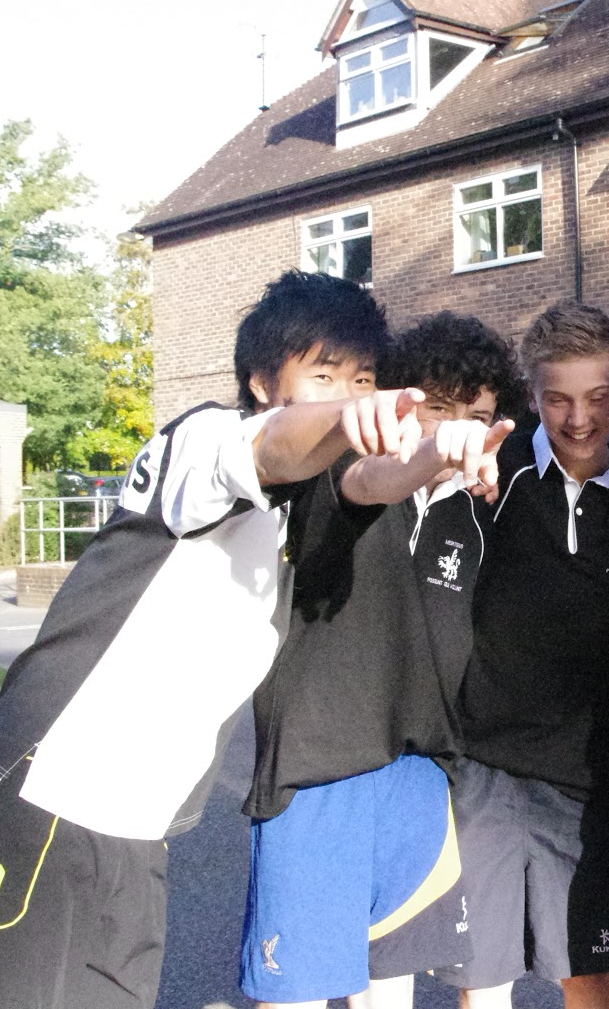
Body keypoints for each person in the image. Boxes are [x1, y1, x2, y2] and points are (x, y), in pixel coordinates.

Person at [0, 269, 448, 1009]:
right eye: (324, 376)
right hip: (45, 797)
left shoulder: (295, 509)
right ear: (262, 381)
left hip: (139, 831)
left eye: (363, 379)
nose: (350, 395)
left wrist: (436, 455)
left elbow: (369, 482)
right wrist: (352, 416)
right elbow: (274, 445)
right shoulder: (204, 442)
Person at [240, 311, 520, 1009]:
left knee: (389, 988)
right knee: (298, 991)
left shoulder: (479, 509)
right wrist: (430, 455)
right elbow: (374, 480)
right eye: (439, 408)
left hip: (419, 772)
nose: (457, 429)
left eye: (476, 417)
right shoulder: (335, 471)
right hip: (318, 768)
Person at [438, 303, 609, 1009]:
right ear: (532, 395)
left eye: (597, 396)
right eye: (558, 398)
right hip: (484, 766)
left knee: (585, 972)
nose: (579, 418)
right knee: (482, 972)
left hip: (590, 779)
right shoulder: (491, 475)